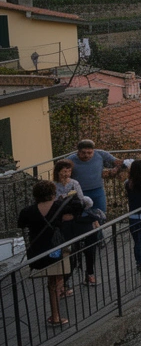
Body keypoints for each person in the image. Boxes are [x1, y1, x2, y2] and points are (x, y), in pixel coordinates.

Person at [17, 180, 76, 327]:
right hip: (56, 251)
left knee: (52, 282)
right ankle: (56, 315)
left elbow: (21, 224)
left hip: (37, 252)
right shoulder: (59, 207)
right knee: (56, 281)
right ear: (52, 193)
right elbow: (76, 211)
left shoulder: (27, 211)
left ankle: (55, 314)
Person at [52, 159, 98, 287]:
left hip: (76, 218)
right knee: (68, 251)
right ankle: (64, 281)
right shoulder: (54, 185)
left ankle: (90, 273)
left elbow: (81, 200)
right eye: (64, 171)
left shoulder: (74, 183)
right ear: (58, 172)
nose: (67, 174)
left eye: (69, 171)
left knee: (89, 246)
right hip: (63, 221)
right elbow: (53, 204)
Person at [65, 139, 120, 215]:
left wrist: (114, 170)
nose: (86, 155)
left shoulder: (101, 155)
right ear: (78, 151)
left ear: (93, 151)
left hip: (98, 191)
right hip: (79, 192)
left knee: (101, 214)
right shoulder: (70, 160)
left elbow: (119, 163)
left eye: (89, 153)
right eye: (83, 153)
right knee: (82, 215)